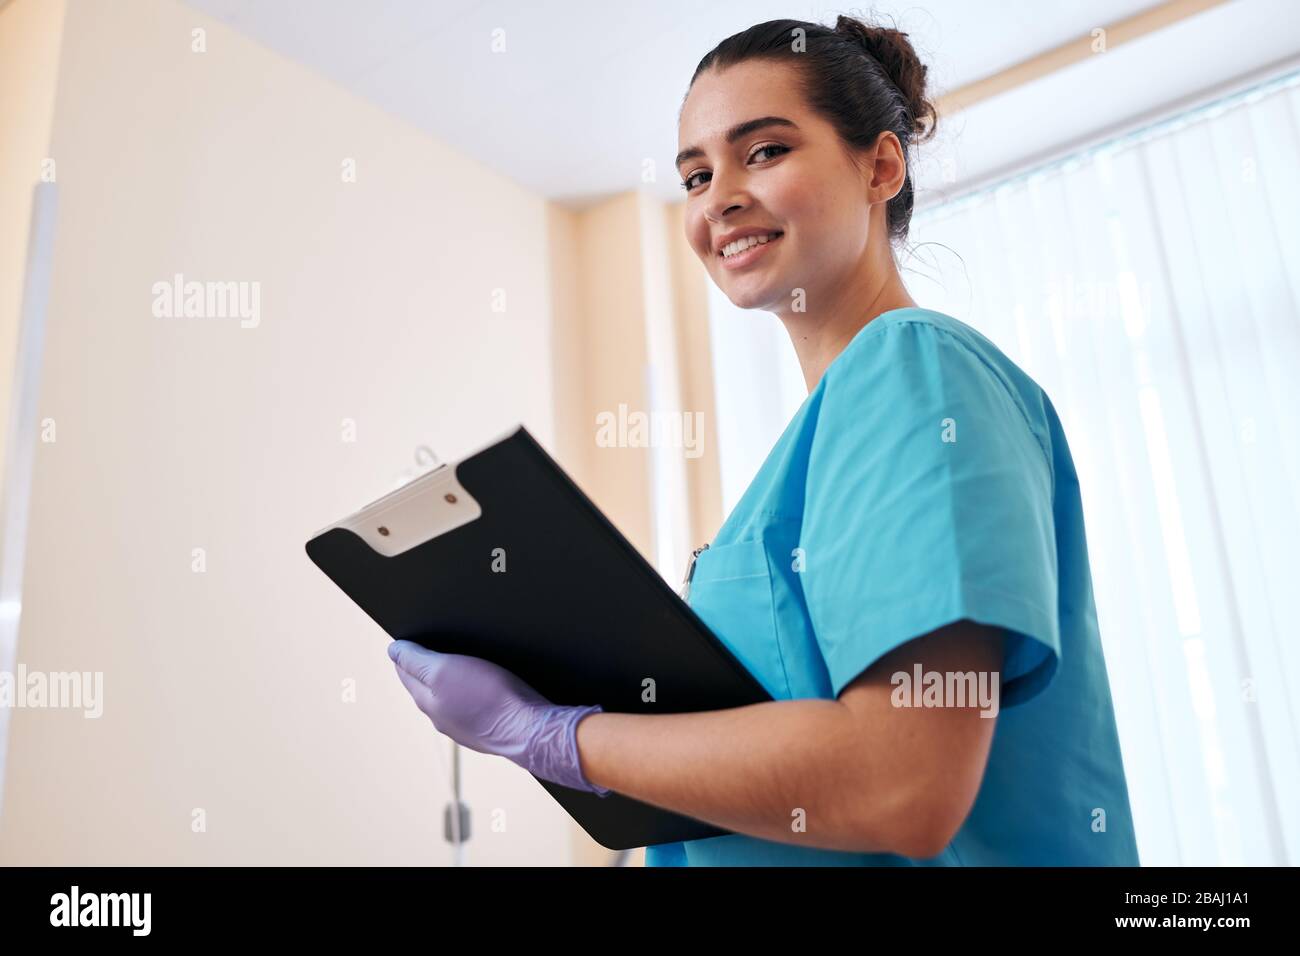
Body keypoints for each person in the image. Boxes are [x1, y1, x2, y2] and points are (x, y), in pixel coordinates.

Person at [387, 15, 1140, 866]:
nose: (719, 198)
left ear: (880, 165)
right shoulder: (812, 451)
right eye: (696, 174)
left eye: (766, 151)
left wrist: (556, 738)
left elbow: (903, 785)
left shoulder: (913, 368)